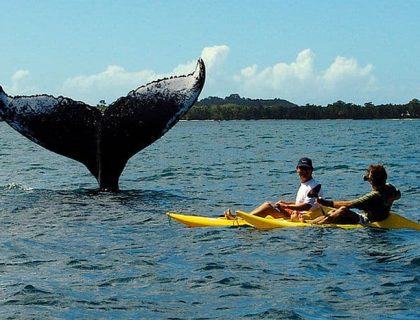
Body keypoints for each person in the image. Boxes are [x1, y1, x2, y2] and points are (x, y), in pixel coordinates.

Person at [225, 157, 323, 221]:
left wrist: (286, 206)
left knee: (267, 206)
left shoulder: (314, 186)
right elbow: (302, 202)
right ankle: (243, 218)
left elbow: (307, 206)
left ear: (311, 170)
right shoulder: (305, 184)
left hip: (303, 217)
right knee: (271, 204)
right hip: (297, 213)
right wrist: (286, 204)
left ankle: (240, 220)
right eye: (301, 168)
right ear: (297, 169)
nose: (303, 171)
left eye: (306, 169)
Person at [313, 164, 401, 224]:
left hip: (368, 221)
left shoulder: (374, 196)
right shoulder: (390, 188)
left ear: (371, 181)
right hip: (381, 217)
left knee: (343, 210)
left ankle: (317, 225)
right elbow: (398, 194)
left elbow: (350, 204)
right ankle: (311, 222)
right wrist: (390, 198)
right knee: (333, 211)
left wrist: (325, 203)